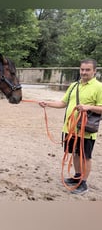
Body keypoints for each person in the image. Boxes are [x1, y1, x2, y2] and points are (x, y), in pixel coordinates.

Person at [39, 59, 102, 195]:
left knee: (85, 156)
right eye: (82, 69)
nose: (84, 72)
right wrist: (47, 103)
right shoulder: (74, 85)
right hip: (70, 128)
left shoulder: (99, 87)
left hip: (86, 130)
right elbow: (63, 103)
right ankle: (77, 176)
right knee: (75, 152)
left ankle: (83, 183)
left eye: (87, 70)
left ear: (94, 71)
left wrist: (88, 107)